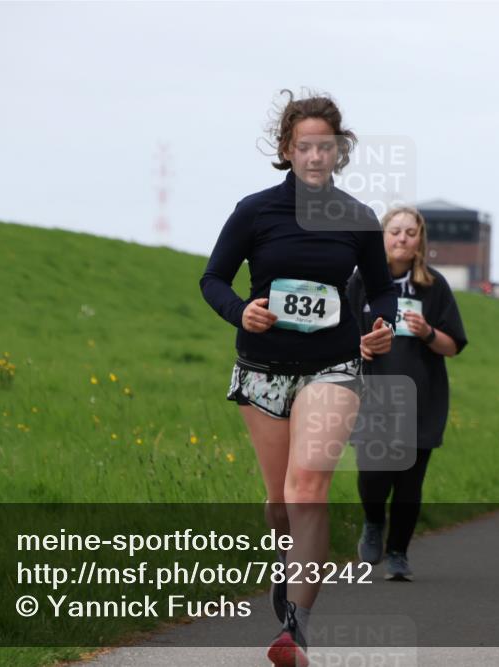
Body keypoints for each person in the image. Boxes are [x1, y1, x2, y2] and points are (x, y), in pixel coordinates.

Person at [199, 90, 397, 666]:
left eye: (325, 147)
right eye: (304, 146)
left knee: (307, 489)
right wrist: (243, 311)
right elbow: (213, 279)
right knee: (280, 500)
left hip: (333, 366)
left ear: (340, 152)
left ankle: (295, 628)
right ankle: (285, 569)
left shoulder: (359, 218)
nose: (315, 156)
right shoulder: (255, 211)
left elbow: (381, 287)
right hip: (262, 367)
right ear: (287, 150)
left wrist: (380, 322)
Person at [347, 206, 468, 582]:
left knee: (409, 483)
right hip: (372, 395)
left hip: (421, 398)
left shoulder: (433, 286)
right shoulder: (361, 281)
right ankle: (372, 522)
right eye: (395, 231)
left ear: (420, 241)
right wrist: (360, 346)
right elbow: (340, 334)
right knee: (373, 474)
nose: (402, 238)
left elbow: (453, 346)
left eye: (410, 233)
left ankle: (398, 552)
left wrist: (428, 332)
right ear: (382, 237)